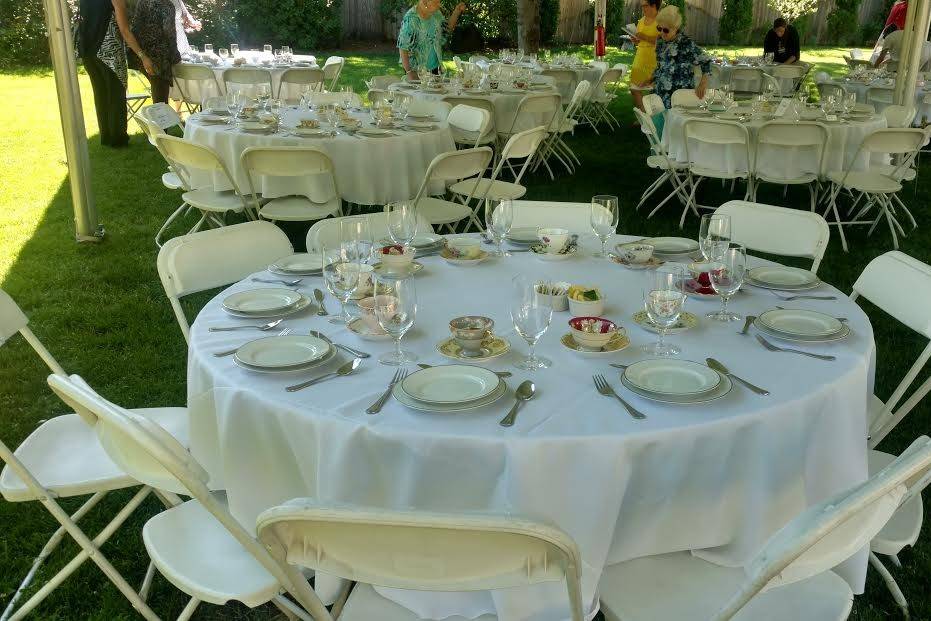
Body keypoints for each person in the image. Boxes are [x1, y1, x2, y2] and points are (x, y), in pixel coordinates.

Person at [77, 0, 154, 147]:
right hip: (108, 51)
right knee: (116, 94)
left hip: (88, 51)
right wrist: (143, 56)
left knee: (101, 96)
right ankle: (118, 140)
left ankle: (106, 137)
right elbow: (124, 30)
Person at [648, 5, 711, 109]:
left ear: (675, 28)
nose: (662, 33)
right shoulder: (660, 42)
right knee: (660, 123)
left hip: (679, 97)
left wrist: (702, 84)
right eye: (659, 28)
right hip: (659, 94)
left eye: (666, 30)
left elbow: (706, 61)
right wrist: (651, 79)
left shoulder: (686, 44)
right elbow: (661, 65)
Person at [397, 0, 466, 80]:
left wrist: (456, 12)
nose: (439, 5)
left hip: (435, 69)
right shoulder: (411, 19)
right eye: (436, 2)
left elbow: (446, 30)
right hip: (416, 72)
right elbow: (403, 48)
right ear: (425, 2)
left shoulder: (437, 14)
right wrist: (409, 72)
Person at [132, 0, 181, 104]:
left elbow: (135, 28)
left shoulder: (142, 2)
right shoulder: (167, 5)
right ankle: (160, 119)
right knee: (161, 102)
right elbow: (169, 33)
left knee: (158, 96)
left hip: (143, 55)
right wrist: (176, 57)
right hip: (160, 58)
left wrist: (141, 55)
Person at [629, 0, 661, 114]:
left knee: (654, 90)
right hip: (640, 57)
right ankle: (644, 116)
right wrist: (635, 40)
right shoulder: (641, 21)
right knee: (634, 88)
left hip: (655, 58)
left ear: (654, 5)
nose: (643, 9)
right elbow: (639, 41)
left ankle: (656, 117)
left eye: (645, 6)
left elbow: (663, 41)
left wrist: (645, 37)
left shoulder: (661, 20)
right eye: (642, 6)